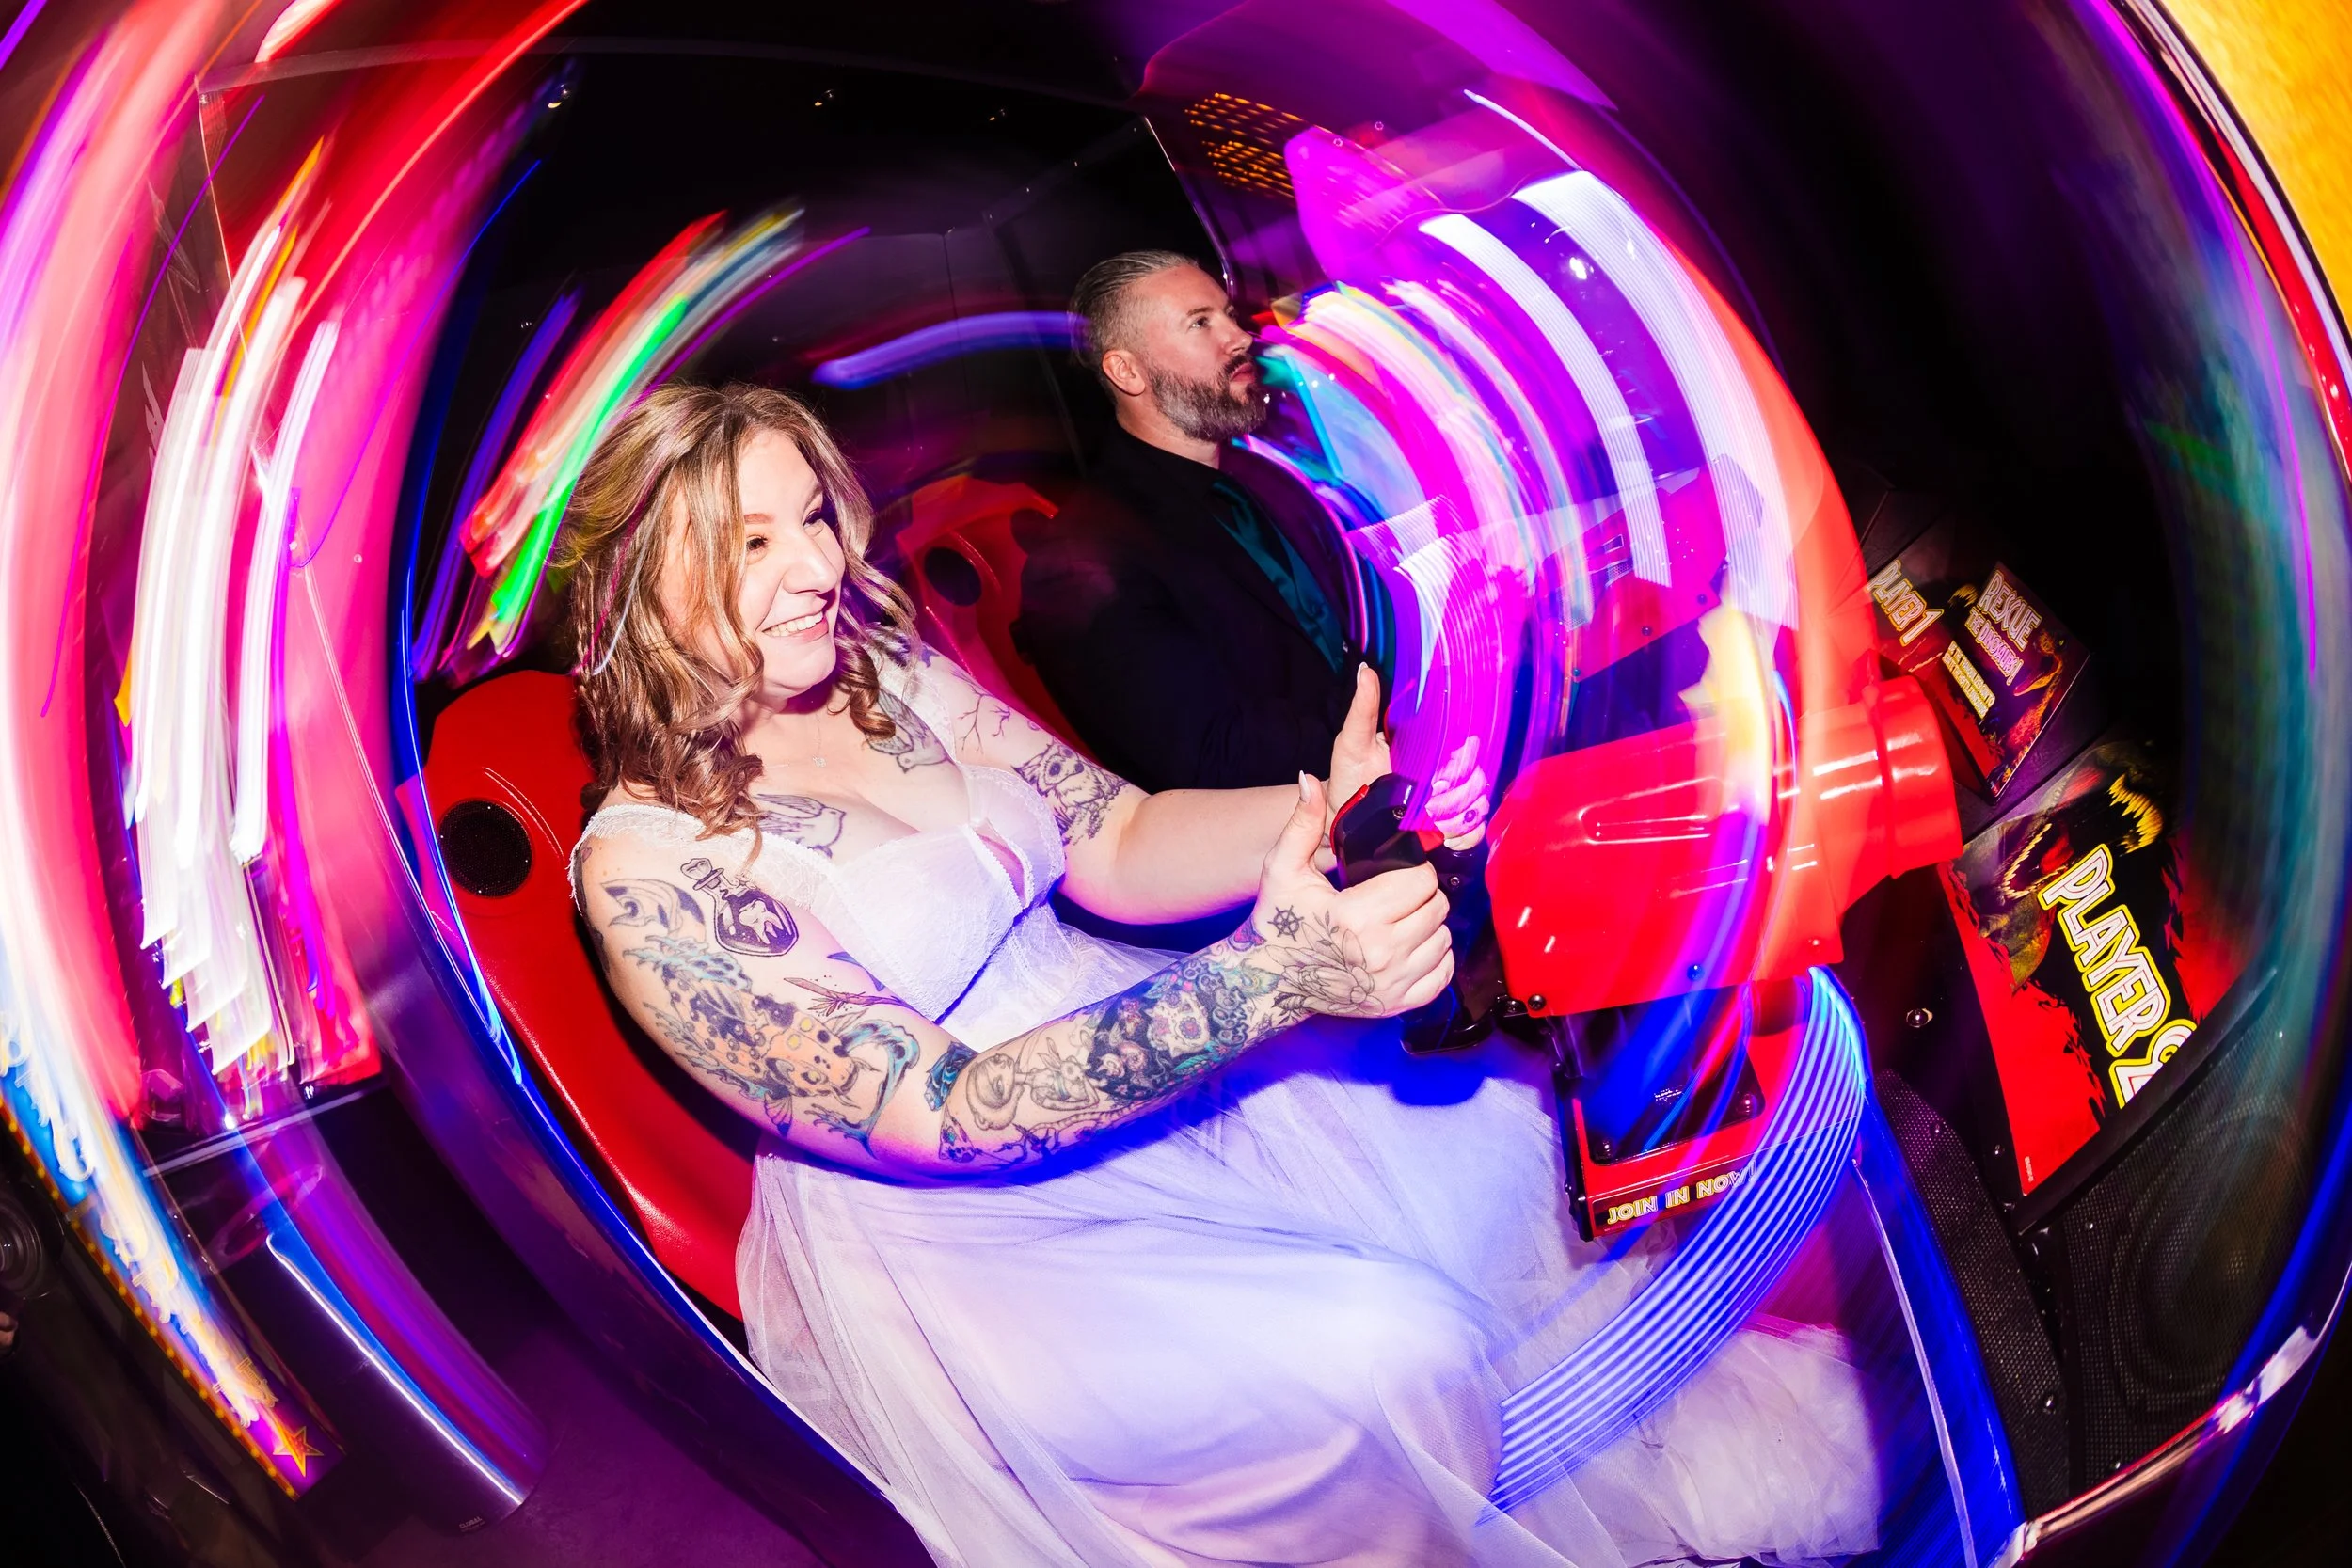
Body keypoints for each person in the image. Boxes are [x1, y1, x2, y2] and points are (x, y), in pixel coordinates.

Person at [560, 382, 1887, 1567]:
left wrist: (1324, 804)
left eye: (814, 517)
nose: (815, 567)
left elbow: (1116, 838)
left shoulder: (879, 674)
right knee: (1378, 1354)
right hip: (971, 1235)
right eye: (749, 543)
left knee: (1496, 1133)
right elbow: (955, 1114)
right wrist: (1269, 980)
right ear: (636, 586)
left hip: (1123, 1024)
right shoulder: (645, 875)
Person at [1016, 251, 1359, 792]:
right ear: (1127, 371)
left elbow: (1347, 630)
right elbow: (1211, 756)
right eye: (1200, 323)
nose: (1240, 336)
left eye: (1227, 313)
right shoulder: (1082, 562)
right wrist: (1381, 730)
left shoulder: (1268, 478)